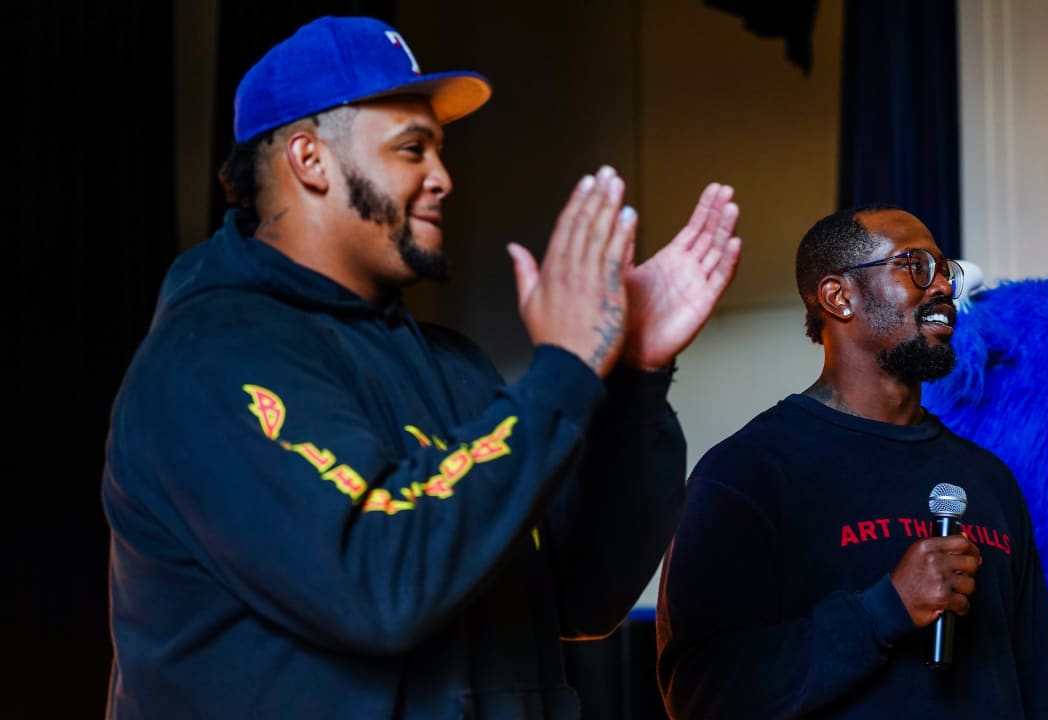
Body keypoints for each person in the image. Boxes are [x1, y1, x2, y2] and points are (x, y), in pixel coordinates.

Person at [101, 15, 741, 719]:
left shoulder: (453, 365)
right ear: (309, 160)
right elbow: (381, 583)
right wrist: (562, 369)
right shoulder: (210, 359)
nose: (443, 178)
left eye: (439, 150)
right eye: (412, 149)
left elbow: (582, 595)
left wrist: (630, 382)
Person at [656, 206, 1048, 719]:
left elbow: (1035, 687)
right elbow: (698, 694)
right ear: (838, 296)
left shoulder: (990, 479)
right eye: (916, 266)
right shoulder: (749, 472)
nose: (942, 289)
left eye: (945, 271)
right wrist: (884, 610)